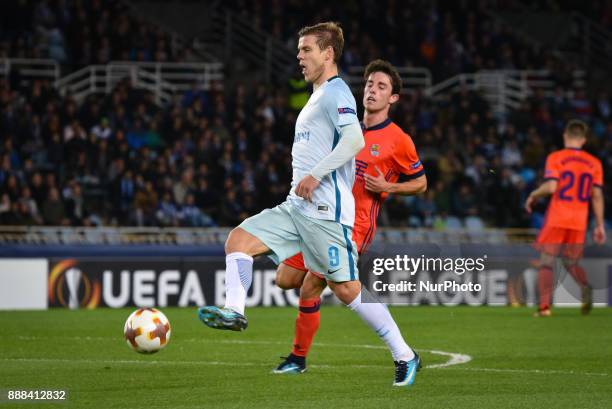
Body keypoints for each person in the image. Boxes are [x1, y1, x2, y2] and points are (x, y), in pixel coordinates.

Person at [198, 23, 421, 387]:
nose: (299, 57)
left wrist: (316, 175)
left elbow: (352, 140)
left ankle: (404, 355)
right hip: (295, 207)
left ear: (328, 53)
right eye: (300, 50)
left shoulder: (337, 93)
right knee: (238, 240)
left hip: (325, 215)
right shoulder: (317, 95)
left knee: (347, 289)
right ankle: (234, 311)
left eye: (306, 50)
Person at [273, 59, 427, 376]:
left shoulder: (398, 140)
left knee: (328, 285)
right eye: (370, 83)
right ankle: (298, 359)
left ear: (393, 98)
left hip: (355, 225)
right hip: (321, 217)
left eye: (381, 86)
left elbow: (422, 182)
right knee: (286, 280)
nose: (372, 90)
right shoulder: (346, 126)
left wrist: (389, 186)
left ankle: (402, 354)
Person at [525, 119, 606, 317]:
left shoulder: (556, 157)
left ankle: (544, 308)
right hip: (579, 220)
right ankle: (584, 287)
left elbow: (552, 187)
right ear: (584, 139)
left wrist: (534, 194)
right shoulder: (594, 163)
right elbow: (596, 196)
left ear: (565, 136)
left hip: (558, 217)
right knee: (571, 263)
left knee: (546, 261)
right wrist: (600, 225)